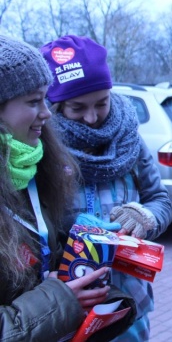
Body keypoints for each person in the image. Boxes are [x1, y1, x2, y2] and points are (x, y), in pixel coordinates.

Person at [40, 35, 172, 341]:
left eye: (102, 103)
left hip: (128, 305)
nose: (92, 118)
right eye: (77, 107)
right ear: (54, 105)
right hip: (69, 310)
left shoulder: (130, 141)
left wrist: (146, 218)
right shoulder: (41, 152)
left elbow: (160, 200)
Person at [0, 34, 127, 341]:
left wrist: (77, 246)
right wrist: (59, 299)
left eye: (46, 99)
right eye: (34, 101)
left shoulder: (29, 166)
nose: (47, 112)